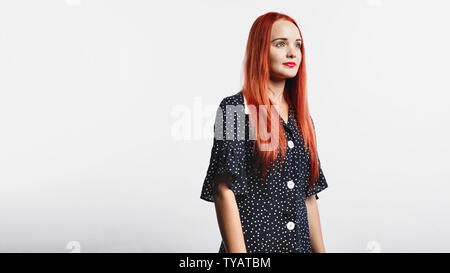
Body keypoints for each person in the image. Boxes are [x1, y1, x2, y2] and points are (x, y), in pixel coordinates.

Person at [200, 11, 329, 253]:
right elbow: (223, 191)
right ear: (260, 49)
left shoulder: (302, 119)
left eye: (298, 45)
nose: (293, 53)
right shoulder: (235, 109)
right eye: (280, 44)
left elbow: (308, 197)